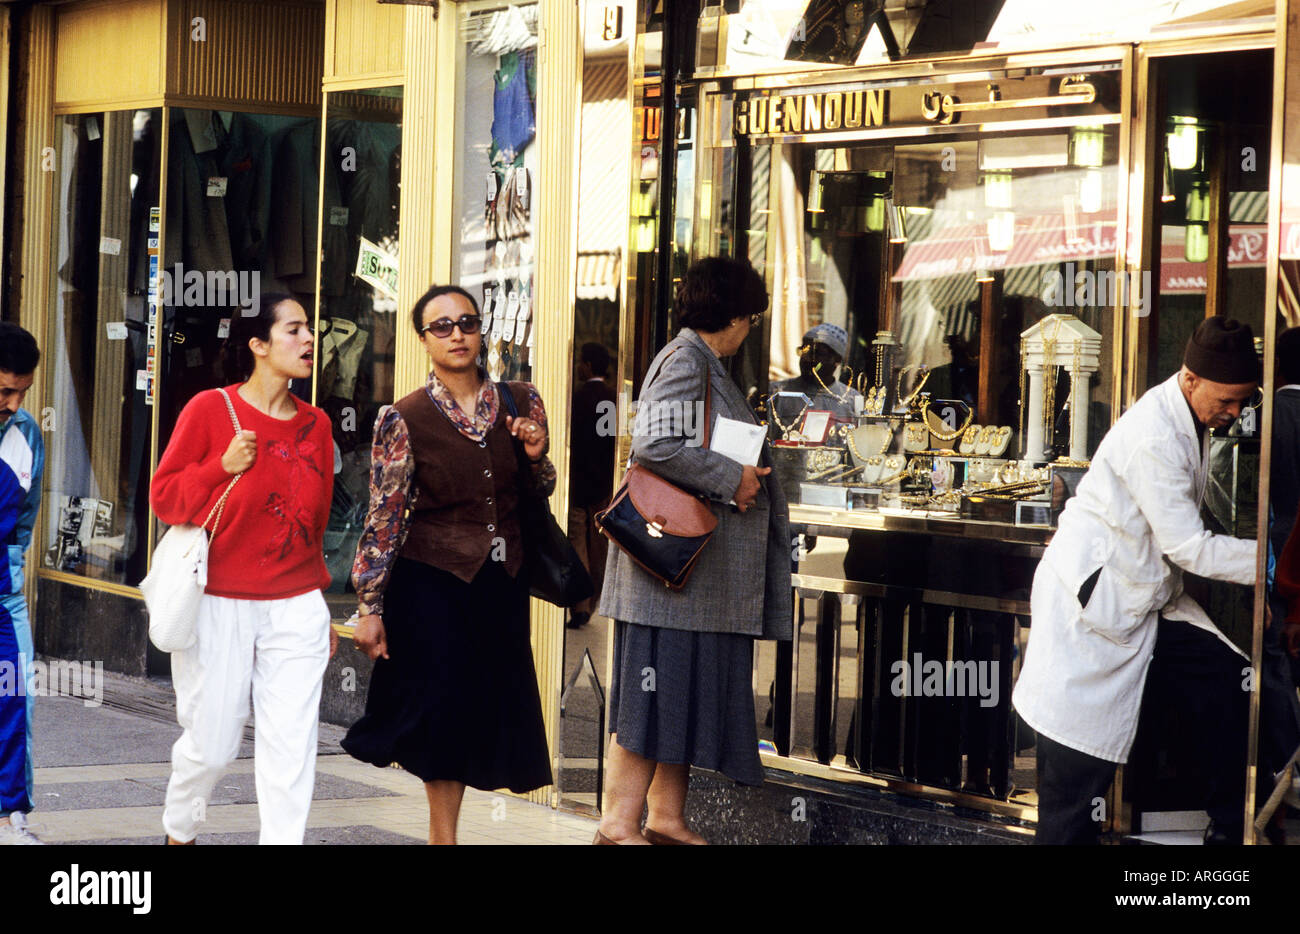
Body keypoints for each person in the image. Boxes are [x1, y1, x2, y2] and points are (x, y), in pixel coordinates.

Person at [1013, 317, 1260, 845]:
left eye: (1243, 401)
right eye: (1229, 400)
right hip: (1093, 612)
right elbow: (1188, 547)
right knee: (1074, 786)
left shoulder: (1190, 415)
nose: (1235, 413)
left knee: (1227, 681)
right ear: (1190, 378)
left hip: (1145, 604)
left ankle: (1228, 830)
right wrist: (1271, 566)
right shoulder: (1154, 435)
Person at [344, 284, 554, 845]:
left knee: (483, 708)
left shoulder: (521, 400)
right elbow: (385, 514)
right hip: (432, 584)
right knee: (441, 713)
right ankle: (444, 838)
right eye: (442, 326)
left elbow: (540, 489)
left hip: (499, 584)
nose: (457, 333)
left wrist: (536, 458)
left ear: (481, 329)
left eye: (466, 321)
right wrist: (370, 606)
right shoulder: (402, 416)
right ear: (423, 339)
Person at [595, 256, 793, 845]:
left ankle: (666, 819)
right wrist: (732, 478)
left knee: (674, 697)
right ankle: (616, 824)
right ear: (731, 315)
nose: (749, 329)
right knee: (651, 703)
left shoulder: (703, 363)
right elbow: (655, 442)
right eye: (750, 318)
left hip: (691, 581)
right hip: (672, 575)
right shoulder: (687, 361)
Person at [151, 293, 337, 845]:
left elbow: (313, 523)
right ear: (258, 345)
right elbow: (165, 499)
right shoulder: (210, 410)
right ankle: (179, 832)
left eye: (311, 330)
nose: (309, 340)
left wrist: (317, 608)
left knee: (291, 747)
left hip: (297, 603)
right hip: (218, 599)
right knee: (211, 744)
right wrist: (220, 465)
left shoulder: (318, 425)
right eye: (295, 330)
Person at [0, 323, 45, 845]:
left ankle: (10, 816)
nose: (12, 403)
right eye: (3, 390)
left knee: (13, 699)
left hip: (1, 592)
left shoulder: (27, 432)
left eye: (22, 392)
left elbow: (24, 522)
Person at [566, 342, 617, 630]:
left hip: (578, 482)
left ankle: (580, 604)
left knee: (577, 543)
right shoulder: (612, 399)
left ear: (587, 366)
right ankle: (597, 599)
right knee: (601, 546)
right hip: (604, 483)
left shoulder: (577, 399)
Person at [771, 322, 862, 432]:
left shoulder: (851, 400)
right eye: (804, 351)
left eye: (817, 353)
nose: (807, 359)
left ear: (837, 359)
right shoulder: (777, 393)